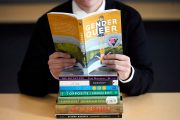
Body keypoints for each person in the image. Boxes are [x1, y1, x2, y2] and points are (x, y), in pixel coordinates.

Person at [18, 0, 153, 96]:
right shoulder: (47, 22)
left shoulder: (129, 18)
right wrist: (53, 75)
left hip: (113, 105)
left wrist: (128, 74)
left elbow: (147, 78)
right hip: (65, 108)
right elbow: (25, 82)